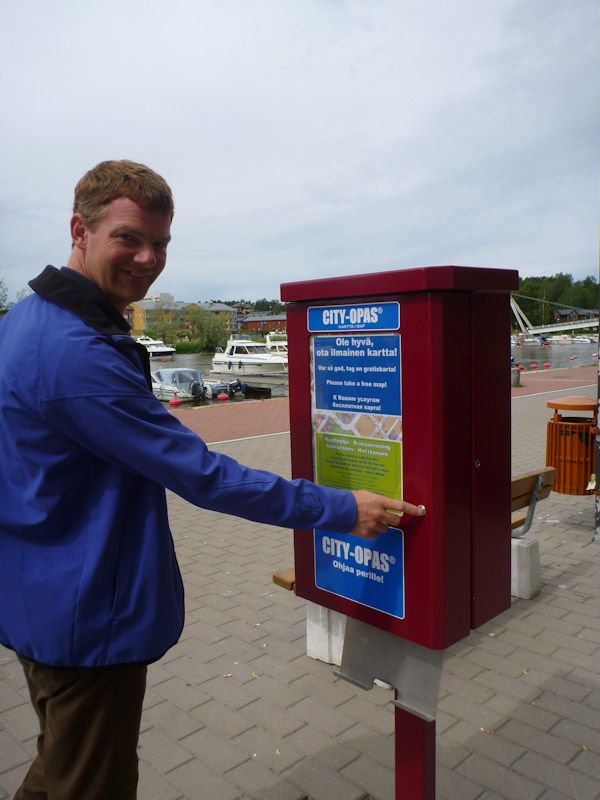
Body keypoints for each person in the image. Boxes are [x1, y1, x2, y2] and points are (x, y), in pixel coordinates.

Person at [0, 160, 425, 800]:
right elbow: (206, 477)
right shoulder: (76, 355)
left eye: (162, 243)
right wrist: (341, 508)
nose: (148, 259)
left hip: (39, 592)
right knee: (93, 781)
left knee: (63, 761)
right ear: (79, 231)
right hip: (84, 614)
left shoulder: (23, 323)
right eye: (129, 238)